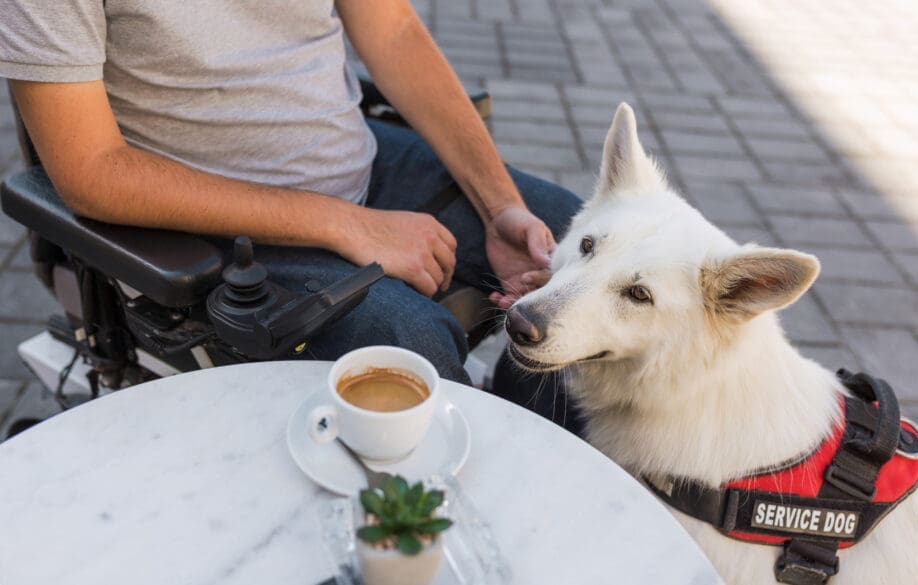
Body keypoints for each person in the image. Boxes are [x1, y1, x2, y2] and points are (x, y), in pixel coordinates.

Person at [0, 0, 583, 427]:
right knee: (403, 347)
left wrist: (498, 202)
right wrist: (344, 223)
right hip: (207, 223)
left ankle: (538, 453)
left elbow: (394, 29)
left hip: (360, 159)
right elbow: (90, 170)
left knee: (579, 248)